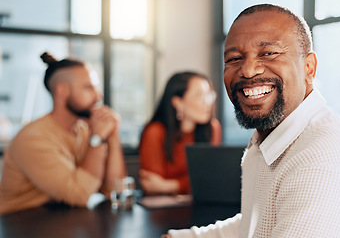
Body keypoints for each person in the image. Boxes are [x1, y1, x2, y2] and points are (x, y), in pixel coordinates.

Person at [165, 4, 340, 238]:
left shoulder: (322, 163)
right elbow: (255, 225)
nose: (248, 70)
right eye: (234, 58)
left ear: (309, 68)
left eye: (268, 53)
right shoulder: (272, 137)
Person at [0, 52, 127, 215]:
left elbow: (114, 190)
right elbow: (80, 195)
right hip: (18, 224)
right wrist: (97, 139)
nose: (99, 95)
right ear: (63, 91)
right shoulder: (32, 139)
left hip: (61, 219)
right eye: (89, 87)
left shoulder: (85, 129)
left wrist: (113, 134)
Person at [139, 71, 222, 195]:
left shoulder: (212, 128)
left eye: (209, 96)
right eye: (200, 97)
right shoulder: (155, 131)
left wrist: (169, 185)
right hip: (163, 209)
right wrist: (191, 184)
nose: (208, 103)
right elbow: (151, 185)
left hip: (202, 204)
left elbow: (211, 179)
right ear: (178, 102)